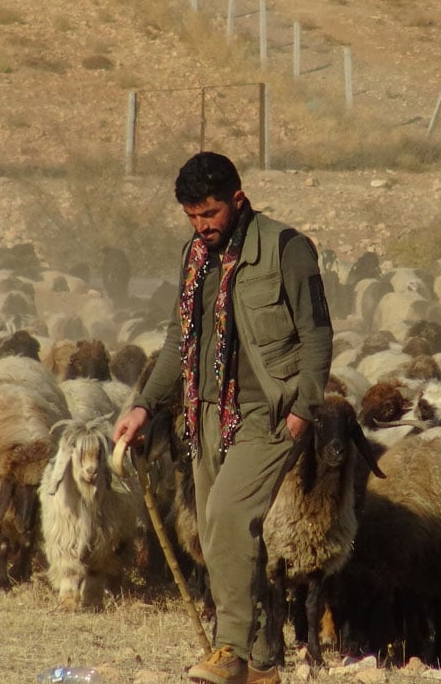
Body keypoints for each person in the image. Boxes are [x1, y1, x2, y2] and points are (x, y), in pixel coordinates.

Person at [113, 152, 333, 684]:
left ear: (238, 199)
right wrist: (144, 404)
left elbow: (318, 333)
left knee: (230, 518)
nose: (201, 226)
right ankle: (263, 663)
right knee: (220, 538)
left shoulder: (286, 249)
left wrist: (305, 408)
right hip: (207, 413)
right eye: (192, 216)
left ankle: (229, 647)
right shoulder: (193, 255)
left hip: (270, 413)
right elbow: (176, 341)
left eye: (209, 214)